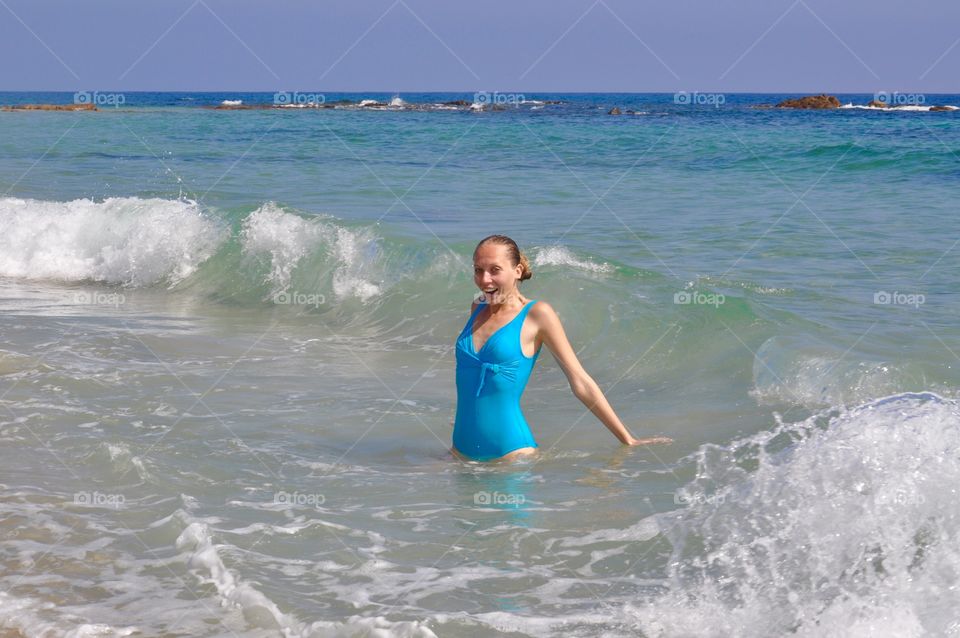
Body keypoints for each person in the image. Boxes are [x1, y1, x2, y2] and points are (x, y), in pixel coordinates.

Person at [452, 234, 672, 462]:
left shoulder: (538, 314)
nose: (484, 280)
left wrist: (628, 439)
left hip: (511, 456)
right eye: (478, 270)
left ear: (517, 271)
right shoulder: (478, 307)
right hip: (460, 453)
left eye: (494, 270)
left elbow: (580, 382)